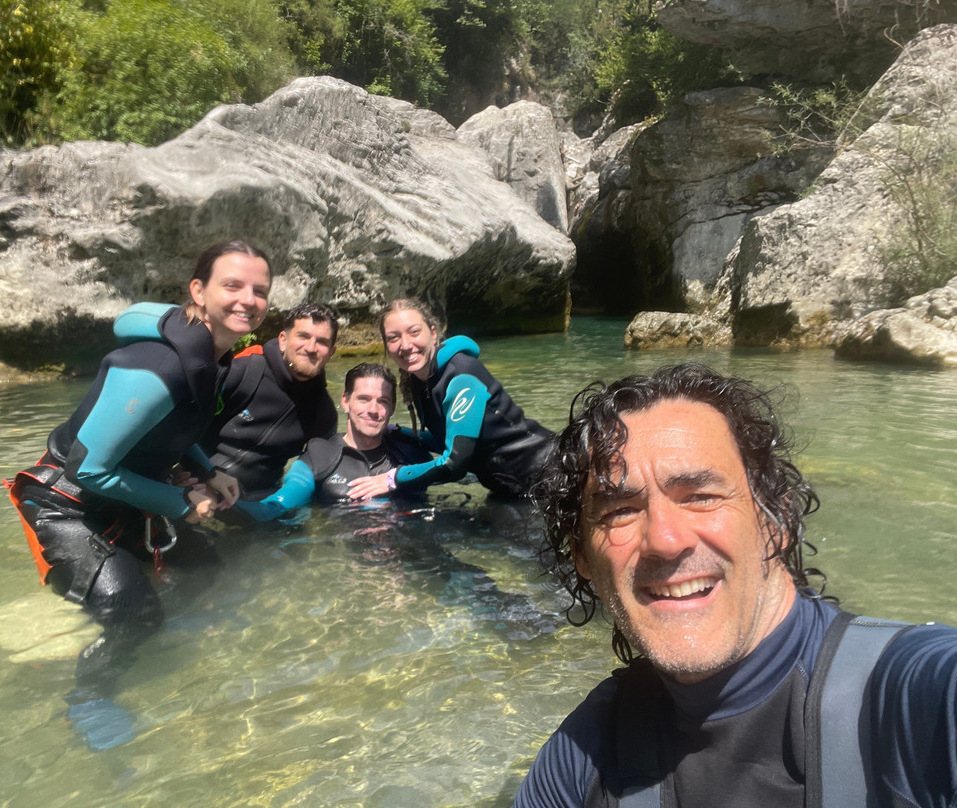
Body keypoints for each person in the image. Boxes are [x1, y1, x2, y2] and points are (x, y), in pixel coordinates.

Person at [512, 362, 957, 808]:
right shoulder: (578, 762)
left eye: (701, 496)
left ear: (775, 522)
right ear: (582, 556)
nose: (665, 541)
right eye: (620, 511)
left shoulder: (922, 696)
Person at [5, 240, 269, 748]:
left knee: (206, 564)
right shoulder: (156, 368)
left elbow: (172, 429)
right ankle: (90, 695)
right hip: (67, 504)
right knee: (135, 614)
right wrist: (182, 503)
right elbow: (87, 468)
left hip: (123, 498)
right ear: (199, 290)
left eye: (259, 290)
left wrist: (208, 472)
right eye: (232, 285)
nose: (248, 299)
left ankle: (169, 629)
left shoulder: (210, 357)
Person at [348, 298, 554, 502]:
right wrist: (397, 432)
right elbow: (449, 440)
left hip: (548, 476)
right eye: (394, 338)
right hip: (511, 485)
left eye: (414, 332)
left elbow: (454, 463)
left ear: (433, 333)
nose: (406, 344)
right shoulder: (421, 380)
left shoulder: (461, 375)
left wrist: (393, 478)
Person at [233, 362, 432, 521]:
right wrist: (226, 502)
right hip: (343, 554)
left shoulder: (412, 454)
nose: (373, 409)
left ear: (393, 407)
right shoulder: (319, 457)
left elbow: (449, 462)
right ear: (345, 401)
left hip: (411, 550)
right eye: (363, 399)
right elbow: (276, 507)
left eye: (382, 401)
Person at [207, 301, 339, 501]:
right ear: (283, 340)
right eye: (303, 336)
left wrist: (280, 503)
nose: (311, 348)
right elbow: (181, 426)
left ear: (331, 353)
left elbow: (319, 472)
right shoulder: (244, 372)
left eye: (321, 342)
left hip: (260, 503)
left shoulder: (323, 412)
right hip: (199, 483)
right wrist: (205, 473)